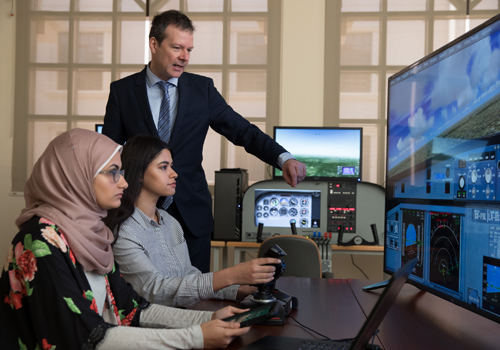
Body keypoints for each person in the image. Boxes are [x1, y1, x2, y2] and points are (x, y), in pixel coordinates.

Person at [0, 128, 250, 349]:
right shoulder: (41, 240)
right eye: (113, 173)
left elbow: (132, 310)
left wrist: (209, 319)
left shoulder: (93, 233)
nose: (123, 183)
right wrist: (195, 336)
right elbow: (86, 336)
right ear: (77, 175)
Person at [102, 10, 307, 273]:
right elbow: (109, 153)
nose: (184, 56)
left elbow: (243, 131)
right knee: (145, 297)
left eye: (189, 49)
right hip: (137, 215)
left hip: (192, 217)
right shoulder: (122, 92)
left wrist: (283, 158)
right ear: (154, 44)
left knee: (197, 295)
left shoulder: (203, 90)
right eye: (177, 47)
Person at [105, 134, 280, 307]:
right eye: (164, 167)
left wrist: (235, 290)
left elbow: (187, 276)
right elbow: (154, 291)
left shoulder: (169, 222)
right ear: (139, 173)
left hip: (181, 315)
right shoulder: (124, 231)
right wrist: (232, 275)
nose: (174, 174)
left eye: (171, 166)